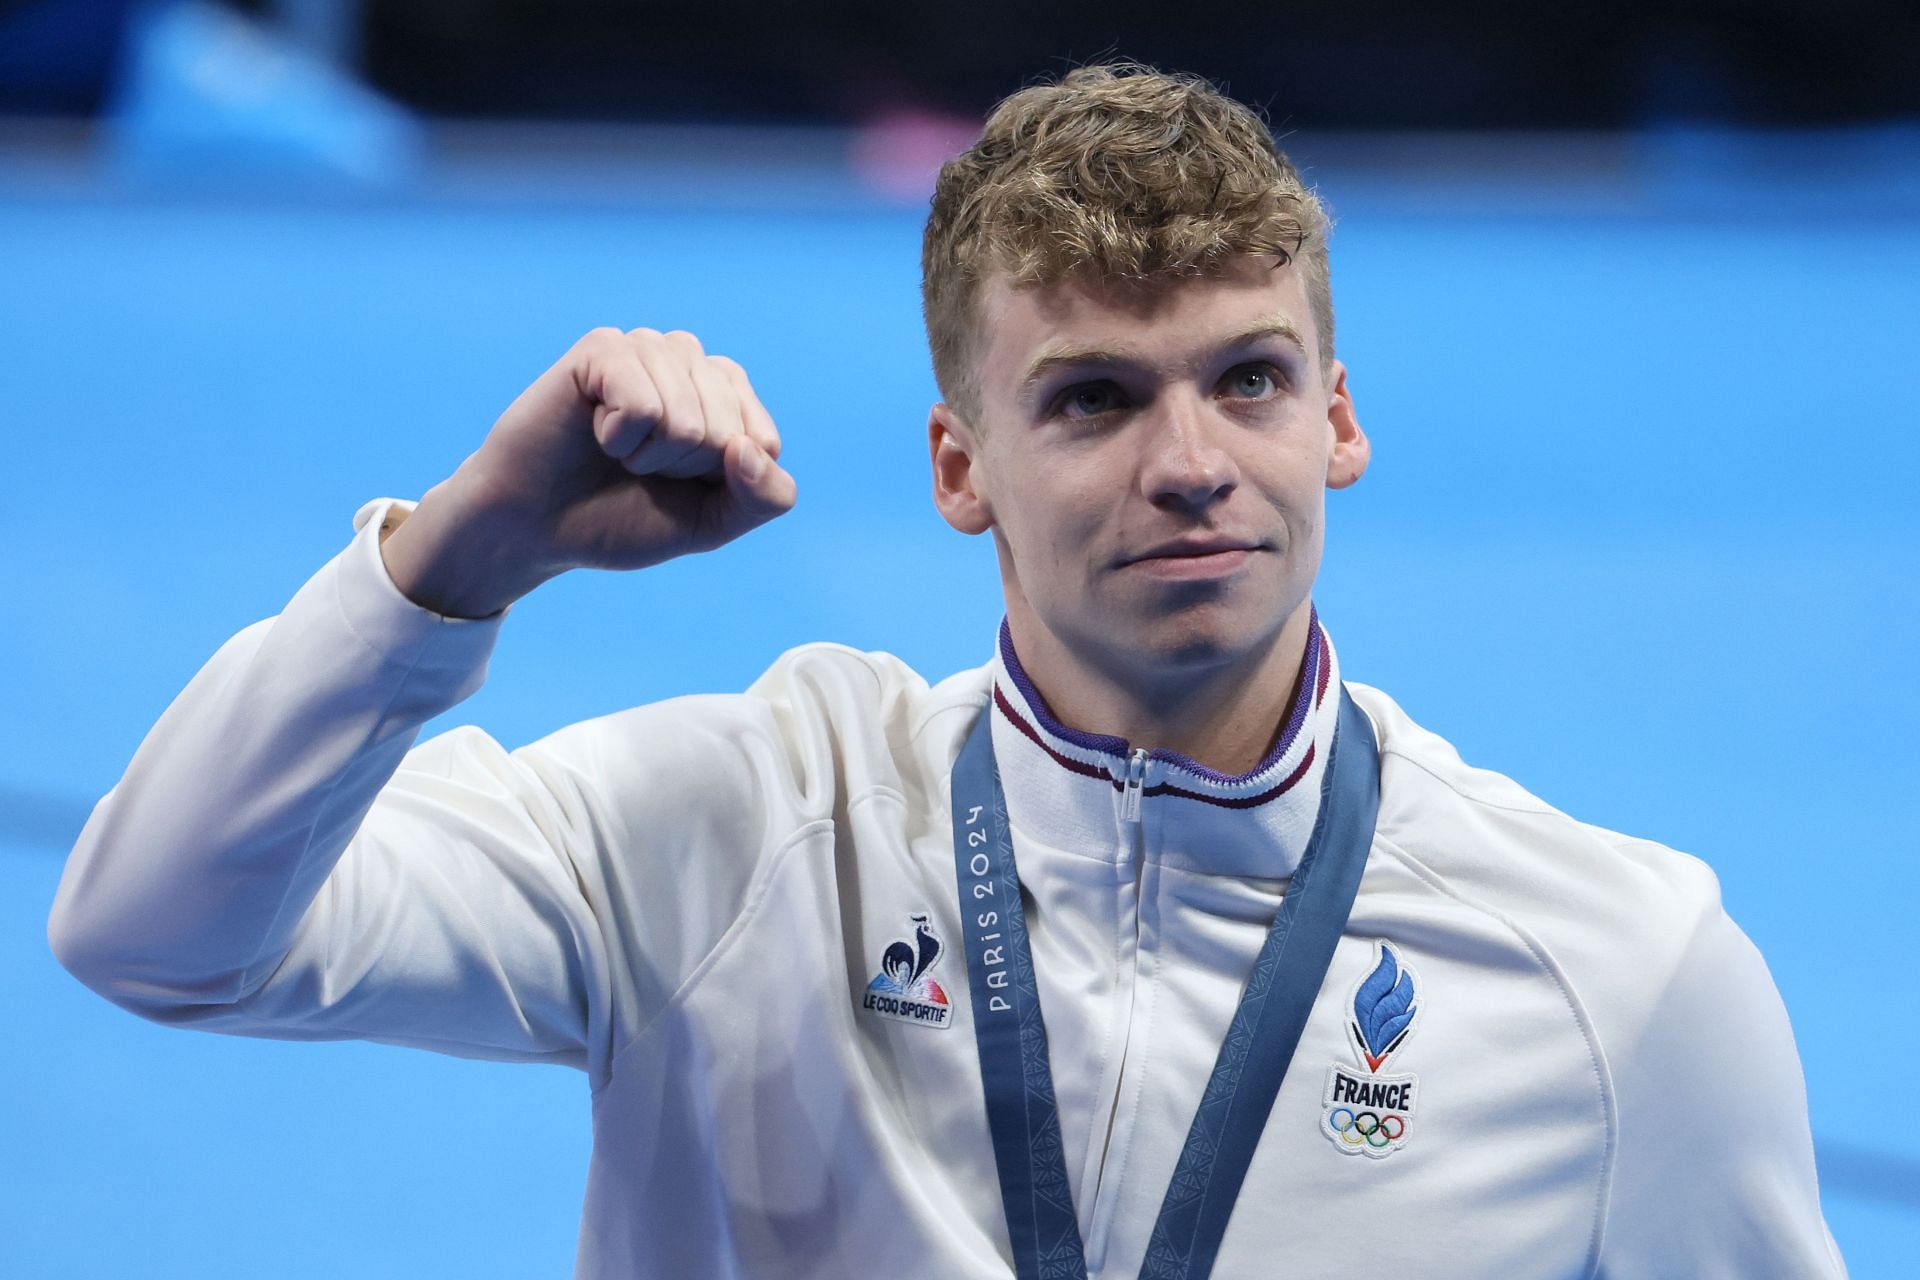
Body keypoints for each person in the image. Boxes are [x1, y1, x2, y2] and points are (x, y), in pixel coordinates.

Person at [47, 63, 1844, 1279]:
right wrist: (467, 552)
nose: (1193, 462)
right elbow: (154, 929)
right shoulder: (734, 830)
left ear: (1339, 419)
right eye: (1093, 399)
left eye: (1247, 380)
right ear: (958, 467)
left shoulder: (1620, 977)